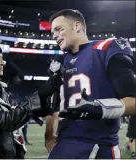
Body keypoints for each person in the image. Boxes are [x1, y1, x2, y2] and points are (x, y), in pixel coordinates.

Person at [45, 9, 136, 159]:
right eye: (52, 32)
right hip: (64, 144)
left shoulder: (105, 49)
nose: (54, 35)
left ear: (77, 26)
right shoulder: (60, 62)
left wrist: (99, 108)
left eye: (58, 29)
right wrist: (49, 132)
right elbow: (53, 104)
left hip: (98, 146)